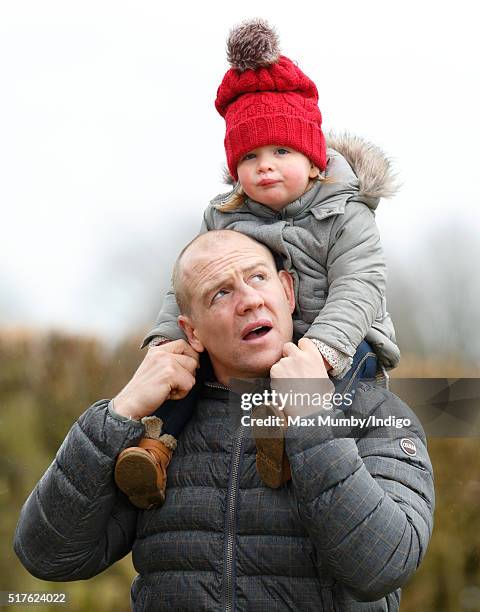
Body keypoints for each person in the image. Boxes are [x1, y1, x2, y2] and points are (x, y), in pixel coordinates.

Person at [14, 230, 434, 611]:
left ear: (287, 292)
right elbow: (47, 554)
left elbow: (384, 565)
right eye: (220, 293)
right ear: (191, 332)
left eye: (257, 278)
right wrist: (119, 411)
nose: (249, 300)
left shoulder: (373, 411)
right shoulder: (159, 427)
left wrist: (312, 414)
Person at [114, 18, 401, 507]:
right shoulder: (225, 216)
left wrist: (323, 349)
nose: (264, 164)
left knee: (353, 376)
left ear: (313, 161)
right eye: (249, 156)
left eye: (281, 150)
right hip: (254, 340)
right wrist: (170, 338)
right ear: (234, 168)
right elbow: (184, 283)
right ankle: (156, 450)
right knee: (190, 373)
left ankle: (295, 441)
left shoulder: (345, 213)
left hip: (340, 338)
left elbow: (361, 284)